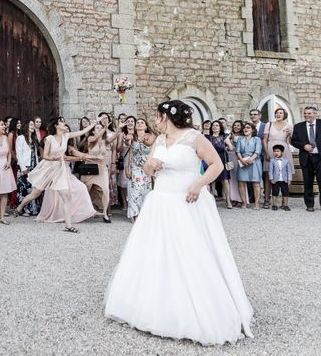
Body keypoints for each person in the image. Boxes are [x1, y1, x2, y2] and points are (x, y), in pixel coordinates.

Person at [104, 100, 253, 345]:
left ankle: (195, 308)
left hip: (187, 201)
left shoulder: (195, 138)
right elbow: (149, 169)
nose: (156, 120)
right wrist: (150, 166)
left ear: (168, 117)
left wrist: (198, 184)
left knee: (190, 252)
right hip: (160, 202)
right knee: (156, 253)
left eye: (158, 116)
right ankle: (155, 305)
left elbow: (216, 165)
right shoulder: (160, 141)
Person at [14, 115, 102, 233]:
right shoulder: (49, 138)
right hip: (48, 168)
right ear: (56, 126)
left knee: (65, 195)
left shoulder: (66, 136)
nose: (65, 125)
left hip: (60, 169)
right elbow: (44, 156)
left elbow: (82, 131)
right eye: (62, 123)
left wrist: (94, 123)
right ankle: (19, 208)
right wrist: (53, 158)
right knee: (35, 194)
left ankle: (68, 225)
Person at [81, 121, 117, 223]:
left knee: (105, 190)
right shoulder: (90, 139)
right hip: (90, 168)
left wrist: (118, 129)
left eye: (100, 128)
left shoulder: (105, 141)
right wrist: (104, 128)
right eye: (97, 128)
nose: (99, 129)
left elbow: (114, 137)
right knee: (86, 190)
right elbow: (96, 138)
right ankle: (84, 211)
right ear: (93, 130)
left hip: (102, 168)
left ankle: (105, 214)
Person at [291, 106, 321, 212]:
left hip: (319, 158)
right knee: (308, 182)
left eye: (309, 113)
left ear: (315, 114)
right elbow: (293, 141)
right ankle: (309, 205)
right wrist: (304, 146)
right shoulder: (298, 127)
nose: (306, 115)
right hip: (306, 158)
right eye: (305, 113)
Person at [262, 108, 294, 207]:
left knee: (284, 173)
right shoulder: (269, 124)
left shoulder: (289, 125)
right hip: (271, 149)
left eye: (280, 113)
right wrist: (267, 152)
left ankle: (284, 202)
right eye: (276, 113)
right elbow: (264, 140)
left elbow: (291, 141)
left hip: (284, 149)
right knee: (269, 175)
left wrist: (290, 134)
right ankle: (267, 200)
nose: (278, 114)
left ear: (285, 115)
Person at [126, 118, 155, 222]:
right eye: (137, 123)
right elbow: (130, 154)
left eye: (142, 122)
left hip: (146, 167)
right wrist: (128, 167)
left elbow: (151, 146)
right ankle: (134, 213)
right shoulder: (131, 137)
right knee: (135, 191)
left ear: (146, 126)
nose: (139, 124)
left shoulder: (150, 136)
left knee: (146, 190)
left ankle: (145, 213)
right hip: (135, 168)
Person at [16, 120, 41, 216]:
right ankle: (24, 210)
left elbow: (35, 154)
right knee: (24, 188)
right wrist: (23, 168)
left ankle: (33, 209)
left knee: (33, 188)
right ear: (26, 126)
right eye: (31, 124)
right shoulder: (21, 138)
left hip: (33, 166)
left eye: (33, 125)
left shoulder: (34, 138)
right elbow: (19, 154)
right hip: (24, 166)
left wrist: (37, 166)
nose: (33, 126)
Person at [236, 122, 263, 210]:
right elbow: (238, 151)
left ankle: (256, 203)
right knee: (241, 182)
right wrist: (242, 160)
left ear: (253, 130)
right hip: (242, 162)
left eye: (248, 127)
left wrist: (250, 160)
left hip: (254, 162)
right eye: (244, 128)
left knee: (256, 183)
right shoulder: (240, 139)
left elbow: (257, 151)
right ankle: (244, 202)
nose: (245, 129)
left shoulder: (257, 139)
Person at [208, 120, 232, 209]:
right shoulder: (208, 138)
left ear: (220, 127)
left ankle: (228, 200)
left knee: (225, 181)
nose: (215, 127)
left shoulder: (224, 137)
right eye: (213, 125)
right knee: (212, 181)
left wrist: (226, 147)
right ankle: (212, 200)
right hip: (212, 161)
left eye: (217, 125)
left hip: (222, 160)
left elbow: (231, 147)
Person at [116, 115, 135, 211]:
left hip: (135, 160)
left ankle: (133, 203)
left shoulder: (138, 133)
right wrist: (123, 142)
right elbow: (118, 149)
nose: (130, 123)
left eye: (132, 121)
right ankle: (124, 204)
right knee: (123, 183)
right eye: (128, 121)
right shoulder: (122, 134)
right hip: (125, 159)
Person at [225, 120, 244, 207]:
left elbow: (241, 147)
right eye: (235, 125)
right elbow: (226, 143)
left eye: (238, 125)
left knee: (239, 178)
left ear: (241, 127)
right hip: (229, 157)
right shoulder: (229, 135)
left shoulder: (243, 136)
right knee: (231, 178)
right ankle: (233, 198)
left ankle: (240, 199)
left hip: (238, 158)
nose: (236, 127)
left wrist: (233, 139)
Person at [269, 144, 292, 211]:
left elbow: (289, 171)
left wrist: (289, 179)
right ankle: (274, 205)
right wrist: (271, 179)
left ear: (282, 152)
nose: (276, 153)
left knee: (285, 193)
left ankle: (285, 205)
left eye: (278, 151)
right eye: (274, 151)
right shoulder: (272, 160)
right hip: (275, 180)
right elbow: (271, 170)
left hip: (284, 180)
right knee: (274, 193)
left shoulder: (286, 160)